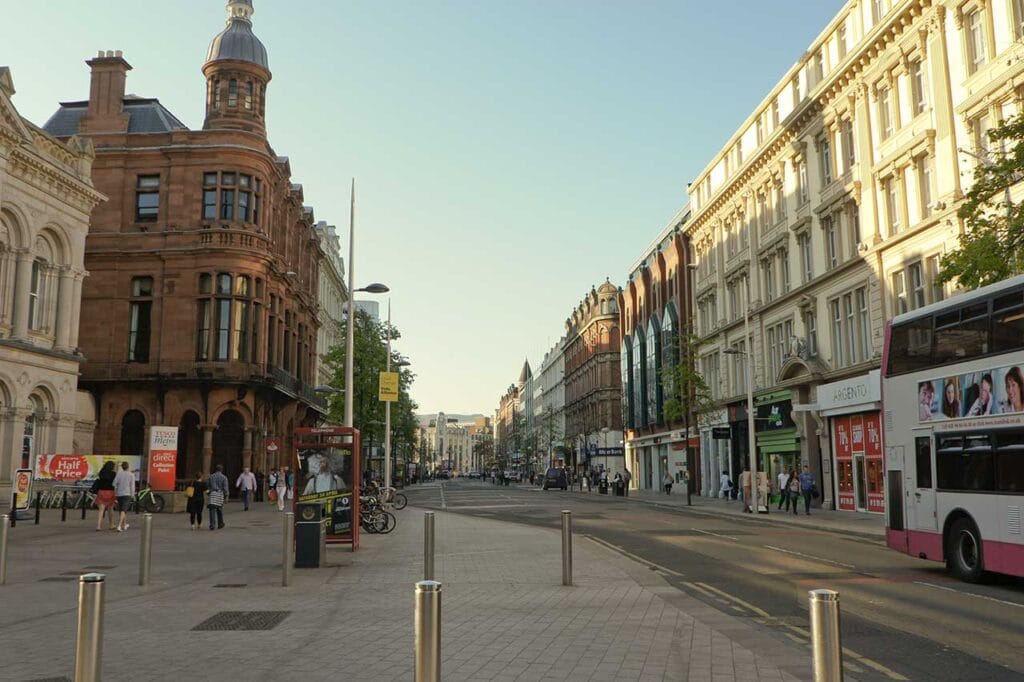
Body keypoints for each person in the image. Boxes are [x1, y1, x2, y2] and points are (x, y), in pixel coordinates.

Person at [94, 461, 117, 531]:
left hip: (101, 491)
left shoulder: (101, 473)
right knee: (110, 509)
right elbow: (115, 483)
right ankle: (111, 524)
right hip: (110, 492)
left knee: (101, 510)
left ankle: (98, 526)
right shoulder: (114, 474)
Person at [113, 461, 135, 532]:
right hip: (127, 494)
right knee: (123, 510)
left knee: (122, 510)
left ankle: (124, 524)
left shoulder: (119, 474)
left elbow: (114, 483)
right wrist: (133, 495)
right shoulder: (131, 475)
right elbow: (132, 486)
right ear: (128, 466)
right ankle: (119, 525)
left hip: (119, 494)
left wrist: (115, 491)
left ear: (122, 467)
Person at [207, 464, 229, 530]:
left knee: (212, 510)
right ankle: (220, 524)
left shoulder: (211, 476)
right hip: (220, 494)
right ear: (221, 470)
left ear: (215, 469)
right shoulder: (224, 477)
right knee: (219, 510)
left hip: (213, 494)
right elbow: (225, 488)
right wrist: (226, 496)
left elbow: (207, 485)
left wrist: (209, 492)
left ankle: (212, 525)